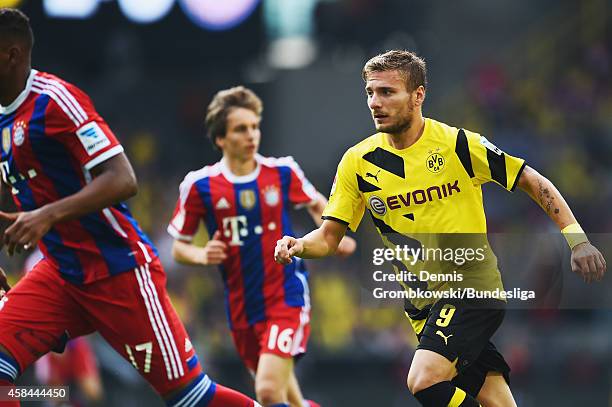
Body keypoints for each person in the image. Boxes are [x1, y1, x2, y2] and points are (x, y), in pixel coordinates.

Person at [274, 50, 606, 407]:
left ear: (418, 96)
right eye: (370, 92)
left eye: (387, 92)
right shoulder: (358, 162)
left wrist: (577, 240)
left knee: (423, 379)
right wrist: (298, 246)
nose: (375, 102)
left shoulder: (458, 144)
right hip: (423, 308)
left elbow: (532, 180)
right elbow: (328, 237)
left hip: (471, 290)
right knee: (499, 402)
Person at [0, 8, 260, 407]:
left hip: (116, 270)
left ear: (11, 55)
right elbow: (30, 191)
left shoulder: (55, 102)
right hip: (60, 272)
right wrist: (28, 218)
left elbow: (124, 179)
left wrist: (47, 215)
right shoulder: (4, 118)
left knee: (189, 397)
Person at [168, 86, 356, 407]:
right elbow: (178, 248)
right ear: (220, 139)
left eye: (255, 126)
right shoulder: (199, 186)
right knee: (288, 398)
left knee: (268, 391)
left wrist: (334, 236)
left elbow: (317, 205)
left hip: (285, 295)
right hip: (241, 306)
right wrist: (202, 255)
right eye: (241, 129)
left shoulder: (282, 172)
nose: (252, 134)